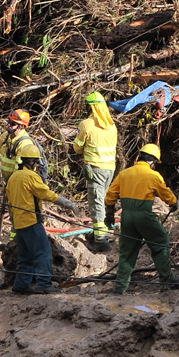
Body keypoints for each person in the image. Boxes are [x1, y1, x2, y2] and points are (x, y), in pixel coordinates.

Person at [104, 143, 179, 295]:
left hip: (126, 217)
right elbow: (165, 193)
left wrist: (109, 212)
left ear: (139, 157)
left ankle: (120, 287)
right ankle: (166, 280)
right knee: (161, 242)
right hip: (144, 215)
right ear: (152, 162)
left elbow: (110, 194)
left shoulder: (125, 174)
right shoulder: (153, 176)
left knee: (127, 251)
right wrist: (173, 203)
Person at [6, 144, 79, 295]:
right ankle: (44, 284)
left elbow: (10, 201)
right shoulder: (31, 176)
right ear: (32, 162)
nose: (37, 165)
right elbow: (46, 194)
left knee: (25, 256)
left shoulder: (13, 177)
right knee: (43, 253)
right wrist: (66, 203)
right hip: (31, 221)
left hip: (18, 223)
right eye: (36, 162)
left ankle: (21, 284)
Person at [73, 91, 118, 252]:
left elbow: (77, 148)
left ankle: (101, 240)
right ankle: (97, 232)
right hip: (110, 169)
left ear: (91, 107)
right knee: (102, 200)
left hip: (95, 170)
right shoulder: (112, 125)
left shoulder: (86, 124)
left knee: (96, 204)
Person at [0, 109, 36, 242]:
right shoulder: (6, 136)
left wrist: (9, 186)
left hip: (20, 183)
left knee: (18, 213)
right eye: (9, 121)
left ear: (22, 126)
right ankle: (14, 241)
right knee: (12, 212)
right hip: (8, 180)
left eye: (13, 123)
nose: (8, 125)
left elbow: (19, 170)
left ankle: (16, 242)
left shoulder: (25, 144)